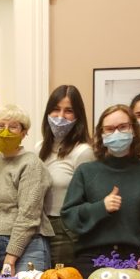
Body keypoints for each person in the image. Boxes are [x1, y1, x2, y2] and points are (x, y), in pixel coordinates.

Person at [61, 104, 140, 279]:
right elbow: (70, 216)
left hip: (136, 260)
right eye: (110, 129)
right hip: (91, 260)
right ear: (101, 134)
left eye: (123, 127)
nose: (117, 133)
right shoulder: (86, 172)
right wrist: (100, 208)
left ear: (134, 131)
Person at [0, 104, 53, 276]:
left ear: (24, 132)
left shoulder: (31, 163)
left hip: (28, 244)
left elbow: (29, 214)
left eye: (13, 127)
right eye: (0, 126)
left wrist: (10, 258)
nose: (5, 132)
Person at [37, 85, 95, 268]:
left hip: (66, 230)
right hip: (39, 226)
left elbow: (89, 199)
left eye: (68, 111)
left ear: (78, 116)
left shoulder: (84, 151)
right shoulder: (39, 148)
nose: (60, 116)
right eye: (56, 109)